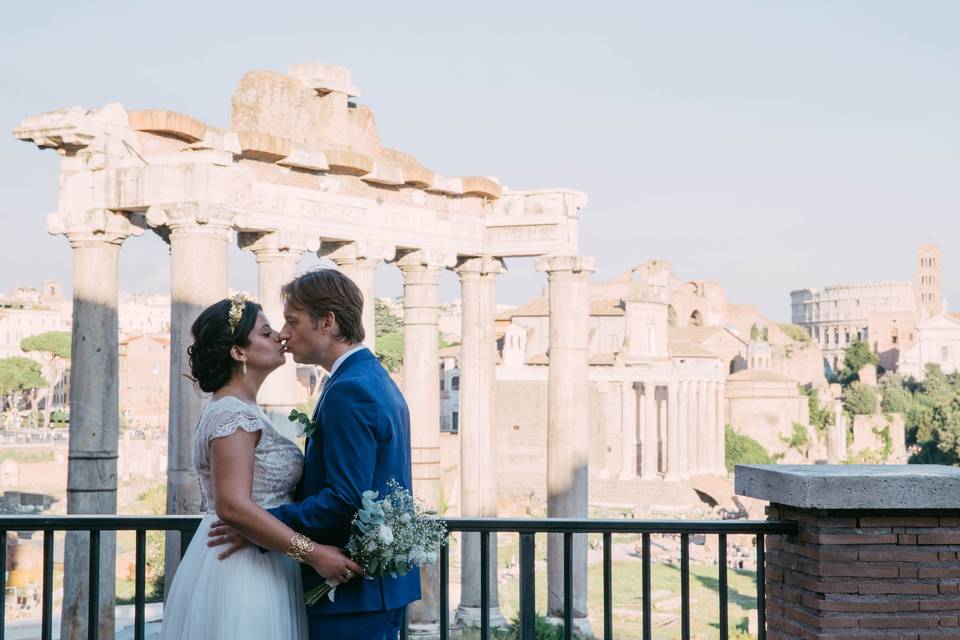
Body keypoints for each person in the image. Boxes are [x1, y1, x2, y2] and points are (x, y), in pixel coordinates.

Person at [209, 269, 420, 639]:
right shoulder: (370, 377)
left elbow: (342, 499)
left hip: (354, 592)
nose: (284, 334)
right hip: (375, 588)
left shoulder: (348, 390)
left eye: (293, 321)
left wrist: (259, 527)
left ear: (327, 322)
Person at [160, 295, 362, 640]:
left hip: (262, 555)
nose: (280, 337)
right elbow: (233, 505)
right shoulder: (233, 415)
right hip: (241, 567)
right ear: (239, 352)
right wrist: (313, 554)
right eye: (266, 332)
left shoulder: (240, 408)